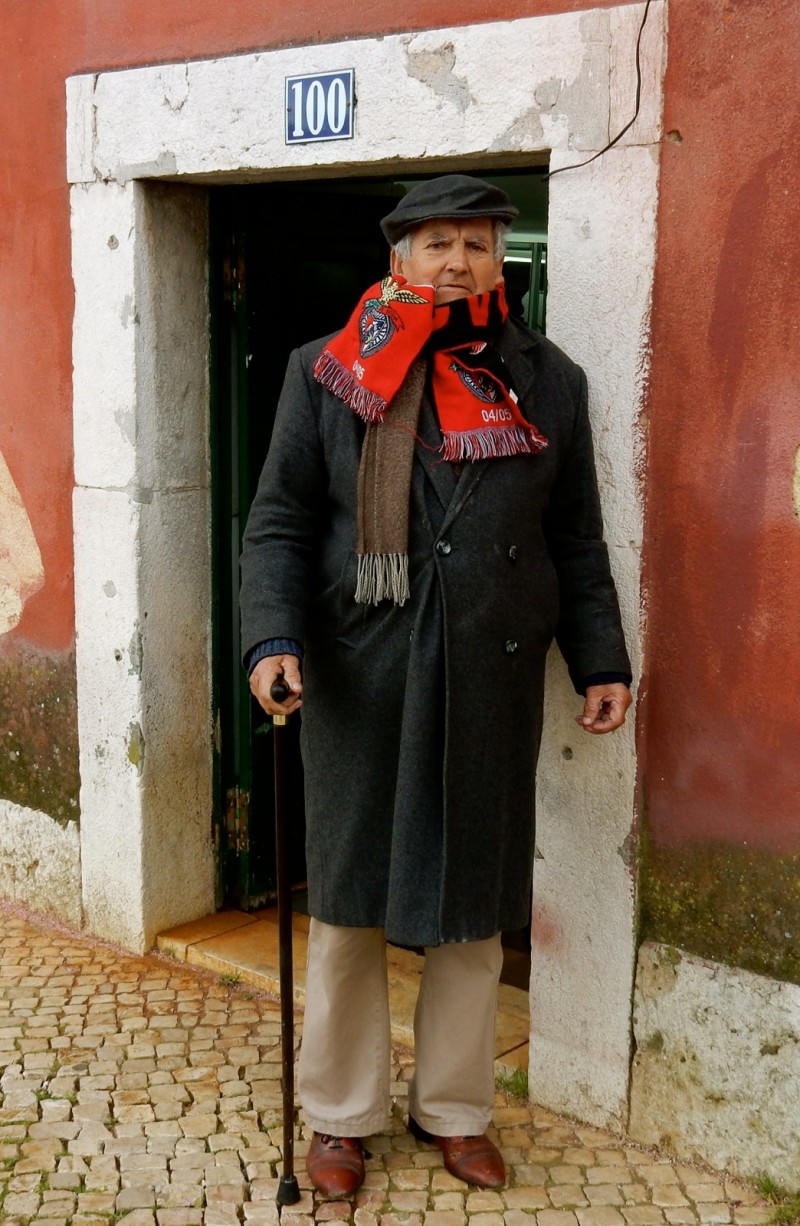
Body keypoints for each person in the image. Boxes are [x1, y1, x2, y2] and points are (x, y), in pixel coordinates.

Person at [240, 174, 632, 1199]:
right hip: (358, 670)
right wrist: (271, 636)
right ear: (396, 259)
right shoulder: (324, 373)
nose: (456, 259)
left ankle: (454, 1108)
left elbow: (572, 535)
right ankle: (339, 1112)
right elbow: (278, 518)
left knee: (469, 903)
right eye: (435, 242)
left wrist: (599, 658)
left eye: (476, 241)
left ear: (498, 259)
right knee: (349, 897)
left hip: (489, 669)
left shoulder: (548, 381)